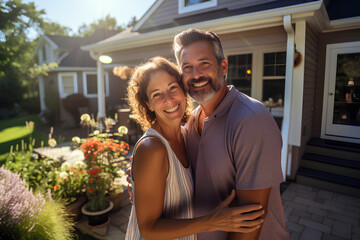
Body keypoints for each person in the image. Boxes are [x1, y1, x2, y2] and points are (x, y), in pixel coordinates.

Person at [124, 56, 265, 240]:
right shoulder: (153, 148)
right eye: (157, 94)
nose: (168, 99)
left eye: (173, 88)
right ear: (148, 104)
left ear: (183, 91)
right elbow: (148, 230)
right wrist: (213, 221)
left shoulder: (187, 135)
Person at [172, 28, 290, 240]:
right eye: (187, 68)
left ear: (223, 66)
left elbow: (251, 221)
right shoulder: (190, 122)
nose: (196, 74)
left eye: (204, 64)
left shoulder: (251, 119)